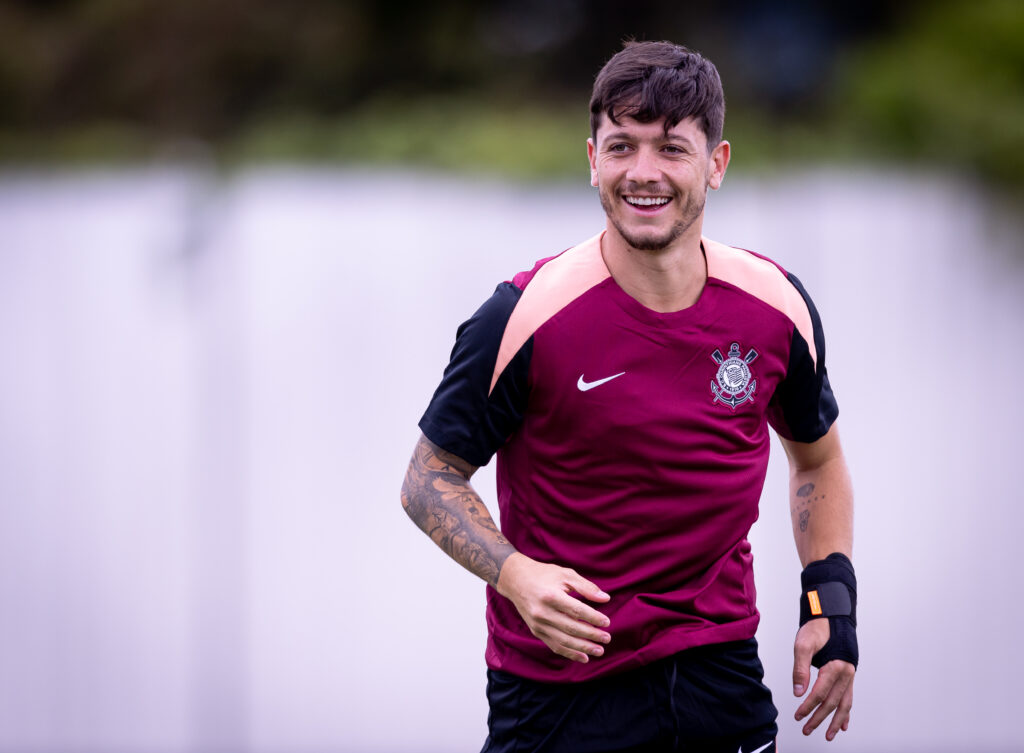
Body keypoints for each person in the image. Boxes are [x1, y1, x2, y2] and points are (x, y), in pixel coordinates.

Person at [401, 40, 857, 753]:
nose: (644, 174)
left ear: (717, 163)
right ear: (592, 161)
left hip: (720, 680)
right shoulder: (522, 316)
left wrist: (831, 606)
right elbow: (428, 478)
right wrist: (516, 575)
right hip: (556, 695)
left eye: (672, 148)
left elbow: (818, 461)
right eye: (621, 147)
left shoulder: (777, 309)